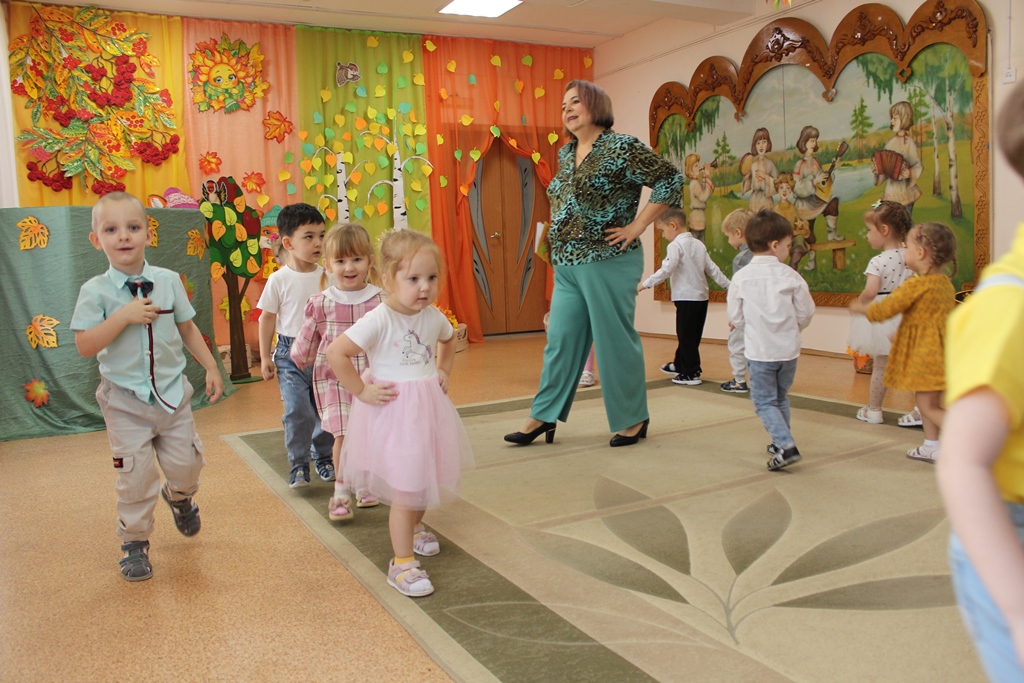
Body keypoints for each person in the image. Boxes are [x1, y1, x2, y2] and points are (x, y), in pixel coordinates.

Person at [505, 79, 683, 448]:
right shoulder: (565, 153)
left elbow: (670, 179)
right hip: (566, 264)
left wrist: (638, 225)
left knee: (613, 342)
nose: (567, 109)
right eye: (563, 106)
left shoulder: (622, 147)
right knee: (560, 341)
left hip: (608, 259)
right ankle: (543, 414)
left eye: (575, 102)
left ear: (596, 106)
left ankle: (633, 418)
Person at [71, 192, 224, 582]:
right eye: (111, 230)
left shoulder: (169, 281)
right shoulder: (95, 291)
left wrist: (211, 366)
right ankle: (134, 542)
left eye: (133, 227)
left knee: (187, 466)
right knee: (136, 477)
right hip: (124, 401)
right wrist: (122, 316)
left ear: (148, 234)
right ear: (96, 240)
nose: (123, 236)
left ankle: (179, 496)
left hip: (172, 396)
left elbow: (187, 328)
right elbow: (85, 345)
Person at [325, 230, 473, 598]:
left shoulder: (432, 315)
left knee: (423, 478)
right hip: (393, 415)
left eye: (431, 277)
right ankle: (401, 563)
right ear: (388, 279)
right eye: (413, 279)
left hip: (427, 413)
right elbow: (336, 353)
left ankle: (416, 528)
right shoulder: (380, 319)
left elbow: (449, 338)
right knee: (407, 489)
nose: (425, 287)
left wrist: (443, 369)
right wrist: (361, 390)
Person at [290, 224, 383, 521]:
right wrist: (299, 357)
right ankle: (341, 492)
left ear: (369, 261)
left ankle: (364, 484)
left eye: (356, 259)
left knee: (367, 434)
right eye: (340, 261)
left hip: (372, 379)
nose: (349, 267)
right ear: (328, 265)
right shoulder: (322, 302)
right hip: (335, 379)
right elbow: (308, 338)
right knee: (343, 433)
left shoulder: (382, 300)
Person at [849, 222, 957, 462]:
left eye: (907, 248)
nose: (904, 253)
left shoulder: (917, 284)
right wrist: (903, 332)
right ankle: (931, 445)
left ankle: (973, 435)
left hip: (926, 355)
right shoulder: (944, 284)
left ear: (920, 253)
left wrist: (862, 308)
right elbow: (926, 318)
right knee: (928, 401)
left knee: (928, 406)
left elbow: (887, 309)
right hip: (942, 353)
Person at [727, 210, 815, 471]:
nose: (789, 250)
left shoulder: (741, 278)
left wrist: (751, 327)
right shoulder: (792, 276)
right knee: (780, 397)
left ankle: (785, 444)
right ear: (775, 245)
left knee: (764, 401)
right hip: (788, 351)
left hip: (760, 352)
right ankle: (780, 441)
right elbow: (806, 312)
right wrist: (793, 329)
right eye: (788, 245)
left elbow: (736, 317)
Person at [257, 203, 335, 489]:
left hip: (324, 353)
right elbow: (267, 318)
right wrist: (265, 357)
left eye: (321, 235)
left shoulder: (329, 276)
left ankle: (323, 456)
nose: (318, 243)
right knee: (298, 409)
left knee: (325, 409)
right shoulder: (278, 280)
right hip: (289, 355)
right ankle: (299, 464)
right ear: (288, 243)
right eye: (309, 237)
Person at [638, 207, 729, 386]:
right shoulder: (698, 244)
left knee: (686, 336)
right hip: (701, 298)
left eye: (662, 230)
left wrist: (645, 284)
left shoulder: (675, 246)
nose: (663, 235)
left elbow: (667, 269)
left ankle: (691, 373)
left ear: (673, 225)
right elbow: (712, 269)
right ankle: (680, 364)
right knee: (691, 335)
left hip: (686, 298)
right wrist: (730, 286)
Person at [847, 200, 913, 424]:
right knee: (914, 365)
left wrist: (860, 302)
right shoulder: (912, 256)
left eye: (869, 230)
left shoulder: (878, 261)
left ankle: (874, 410)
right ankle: (921, 410)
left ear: (884, 230)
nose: (867, 236)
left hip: (883, 315)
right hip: (907, 313)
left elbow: (871, 290)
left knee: (881, 365)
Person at [793, 125, 843, 271]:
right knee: (809, 232)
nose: (814, 143)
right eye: (811, 140)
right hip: (804, 203)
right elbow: (796, 188)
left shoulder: (815, 161)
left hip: (816, 199)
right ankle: (811, 261)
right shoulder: (799, 164)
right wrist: (813, 181)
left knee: (833, 201)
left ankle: (831, 233)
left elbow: (822, 181)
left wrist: (831, 171)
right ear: (804, 142)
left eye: (815, 140)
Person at [719, 209, 754, 393]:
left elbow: (738, 292)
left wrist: (735, 316)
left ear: (738, 233)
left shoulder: (741, 260)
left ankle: (739, 380)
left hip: (745, 313)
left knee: (737, 344)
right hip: (761, 313)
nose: (728, 241)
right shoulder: (764, 254)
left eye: (728, 236)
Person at [872, 101, 923, 217]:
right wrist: (877, 171)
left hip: (906, 193)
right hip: (890, 192)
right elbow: (885, 171)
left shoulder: (909, 143)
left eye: (895, 118)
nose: (891, 121)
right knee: (889, 220)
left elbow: (918, 165)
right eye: (892, 118)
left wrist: (909, 173)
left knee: (904, 220)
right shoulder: (890, 144)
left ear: (904, 119)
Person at [742, 128, 777, 213]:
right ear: (755, 145)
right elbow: (747, 186)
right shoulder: (753, 165)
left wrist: (765, 176)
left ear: (768, 144)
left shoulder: (770, 164)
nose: (761, 146)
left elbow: (777, 182)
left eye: (764, 142)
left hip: (766, 200)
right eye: (758, 143)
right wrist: (746, 179)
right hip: (755, 199)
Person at [684, 153, 714, 243]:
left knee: (700, 244)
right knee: (697, 244)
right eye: (696, 166)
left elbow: (703, 189)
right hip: (696, 219)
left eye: (698, 165)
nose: (699, 167)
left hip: (699, 218)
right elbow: (703, 197)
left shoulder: (696, 182)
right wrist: (708, 177)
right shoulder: (694, 184)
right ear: (691, 170)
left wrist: (705, 176)